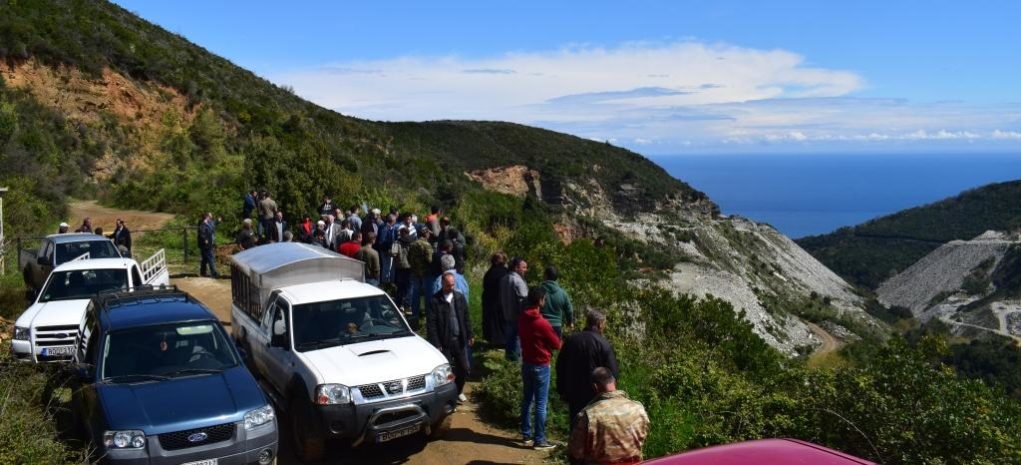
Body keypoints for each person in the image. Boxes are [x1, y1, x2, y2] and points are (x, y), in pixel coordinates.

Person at [568, 367, 649, 465]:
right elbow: (644, 438)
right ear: (614, 382)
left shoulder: (587, 415)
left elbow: (575, 454)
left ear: (595, 387)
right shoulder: (638, 408)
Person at [556, 309, 619, 427]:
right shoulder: (603, 344)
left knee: (575, 426)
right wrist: (611, 396)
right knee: (593, 428)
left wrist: (561, 390)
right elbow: (613, 373)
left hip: (573, 393)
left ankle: (575, 445)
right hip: (595, 395)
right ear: (600, 324)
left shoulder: (571, 340)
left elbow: (560, 366)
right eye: (604, 324)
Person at [518, 287, 561, 451]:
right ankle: (540, 439)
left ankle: (526, 434)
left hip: (527, 363)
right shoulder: (542, 323)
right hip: (541, 365)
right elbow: (556, 344)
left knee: (527, 399)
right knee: (541, 403)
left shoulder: (522, 318)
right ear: (541, 301)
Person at [427, 273, 474, 398]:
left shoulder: (459, 297)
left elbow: (466, 318)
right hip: (444, 342)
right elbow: (431, 325)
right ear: (442, 284)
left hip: (459, 340)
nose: (451, 287)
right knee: (447, 372)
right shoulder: (435, 301)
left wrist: (470, 335)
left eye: (453, 285)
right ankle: (448, 396)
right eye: (448, 285)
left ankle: (458, 391)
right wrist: (436, 343)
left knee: (464, 368)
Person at [500, 258, 528, 361]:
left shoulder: (504, 279)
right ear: (516, 268)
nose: (526, 270)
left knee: (509, 341)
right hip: (518, 317)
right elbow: (524, 301)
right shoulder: (519, 282)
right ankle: (515, 367)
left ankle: (509, 363)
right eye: (523, 267)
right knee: (517, 342)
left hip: (507, 315)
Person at [408, 227, 434, 326]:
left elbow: (409, 257)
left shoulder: (413, 244)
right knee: (428, 296)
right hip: (425, 273)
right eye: (428, 233)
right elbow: (429, 260)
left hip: (415, 272)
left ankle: (414, 317)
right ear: (425, 234)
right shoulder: (427, 245)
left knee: (415, 296)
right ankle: (428, 318)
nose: (429, 235)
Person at [540, 266, 574, 339]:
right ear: (557, 278)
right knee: (555, 348)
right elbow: (569, 310)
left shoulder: (538, 291)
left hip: (540, 324)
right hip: (556, 326)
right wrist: (569, 322)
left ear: (545, 276)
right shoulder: (562, 293)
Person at [482, 252, 509, 346]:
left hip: (490, 300)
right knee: (502, 322)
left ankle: (493, 340)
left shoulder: (489, 273)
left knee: (492, 322)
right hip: (502, 301)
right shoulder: (506, 272)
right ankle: (502, 341)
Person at [393, 227, 415, 316]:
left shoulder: (397, 242)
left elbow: (393, 253)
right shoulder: (412, 241)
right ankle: (408, 306)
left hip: (400, 267)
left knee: (400, 287)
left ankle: (398, 306)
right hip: (410, 267)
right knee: (409, 287)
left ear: (401, 233)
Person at [198, 213, 220, 278]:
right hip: (206, 245)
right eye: (208, 217)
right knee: (211, 258)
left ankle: (202, 272)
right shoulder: (203, 225)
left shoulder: (207, 224)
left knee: (205, 259)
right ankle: (214, 273)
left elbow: (212, 226)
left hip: (209, 244)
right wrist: (205, 240)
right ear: (206, 218)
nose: (209, 218)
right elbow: (202, 234)